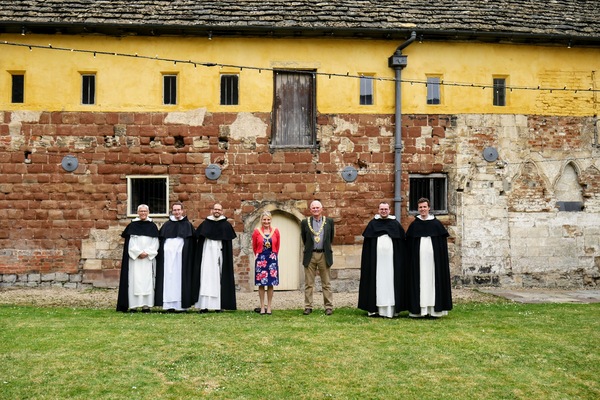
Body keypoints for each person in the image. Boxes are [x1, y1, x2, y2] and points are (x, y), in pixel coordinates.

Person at [358, 202, 408, 318]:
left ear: (389, 210)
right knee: (376, 283)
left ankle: (391, 309)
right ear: (378, 210)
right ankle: (375, 309)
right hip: (377, 263)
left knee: (391, 283)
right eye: (382, 209)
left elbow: (401, 246)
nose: (384, 211)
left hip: (391, 264)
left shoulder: (395, 224)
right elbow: (368, 247)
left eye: (386, 209)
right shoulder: (372, 224)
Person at [406, 197, 452, 318]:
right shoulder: (414, 225)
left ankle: (434, 310)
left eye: (424, 207)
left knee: (433, 282)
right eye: (420, 207)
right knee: (419, 282)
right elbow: (409, 246)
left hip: (433, 263)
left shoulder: (436, 224)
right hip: (418, 262)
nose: (423, 209)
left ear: (429, 208)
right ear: (418, 209)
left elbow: (441, 247)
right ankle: (419, 310)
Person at [193, 203, 237, 312]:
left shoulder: (226, 225)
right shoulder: (205, 224)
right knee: (205, 278)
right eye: (215, 209)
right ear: (212, 210)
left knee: (218, 279)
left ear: (222, 211)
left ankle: (218, 305)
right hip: (206, 256)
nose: (217, 211)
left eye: (219, 209)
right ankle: (204, 305)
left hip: (219, 257)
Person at [116, 204, 160, 313]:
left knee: (147, 281)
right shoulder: (132, 226)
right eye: (141, 211)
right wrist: (138, 253)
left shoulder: (152, 226)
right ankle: (133, 306)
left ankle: (146, 306)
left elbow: (155, 243)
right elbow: (131, 243)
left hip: (147, 260)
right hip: (135, 259)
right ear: (138, 212)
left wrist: (148, 253)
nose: (143, 213)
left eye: (145, 211)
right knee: (134, 281)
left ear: (148, 212)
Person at [155, 202, 195, 312]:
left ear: (182, 211)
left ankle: (182, 306)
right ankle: (168, 305)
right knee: (168, 279)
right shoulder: (167, 225)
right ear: (172, 211)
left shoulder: (188, 225)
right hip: (168, 259)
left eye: (179, 210)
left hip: (181, 259)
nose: (177, 212)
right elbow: (162, 241)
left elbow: (191, 244)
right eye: (175, 210)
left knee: (181, 280)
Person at [300, 200, 335, 315]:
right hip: (310, 255)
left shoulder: (329, 221)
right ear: (310, 210)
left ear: (322, 209)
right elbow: (304, 239)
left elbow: (330, 238)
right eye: (313, 208)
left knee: (326, 283)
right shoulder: (305, 222)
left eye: (317, 208)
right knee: (309, 283)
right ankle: (308, 306)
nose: (315, 209)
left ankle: (328, 306)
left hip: (324, 254)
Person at [252, 211, 280, 315]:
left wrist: (273, 256)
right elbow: (254, 246)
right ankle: (262, 306)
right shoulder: (257, 231)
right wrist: (259, 256)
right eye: (264, 219)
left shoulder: (276, 231)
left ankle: (269, 307)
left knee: (270, 283)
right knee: (261, 284)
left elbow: (277, 246)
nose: (266, 221)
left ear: (271, 220)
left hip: (272, 259)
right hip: (261, 259)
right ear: (261, 220)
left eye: (268, 219)